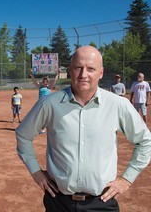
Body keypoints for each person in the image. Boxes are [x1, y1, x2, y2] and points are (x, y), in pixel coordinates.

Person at [16, 46, 151, 212]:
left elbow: (145, 141)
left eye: (91, 69)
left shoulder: (118, 105)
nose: (83, 74)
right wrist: (36, 173)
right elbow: (23, 135)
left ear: (100, 73)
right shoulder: (49, 103)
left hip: (102, 202)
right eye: (78, 68)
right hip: (58, 202)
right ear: (71, 71)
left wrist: (127, 179)